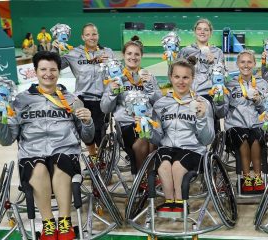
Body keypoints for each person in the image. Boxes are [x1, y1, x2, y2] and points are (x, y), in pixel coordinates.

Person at [0, 51, 94, 240]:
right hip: (32, 154)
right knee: (38, 168)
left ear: (59, 72)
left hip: (65, 151)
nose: (48, 73)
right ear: (36, 71)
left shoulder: (72, 100)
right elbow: (6, 140)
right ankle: (48, 224)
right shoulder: (20, 101)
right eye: (43, 69)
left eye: (53, 69)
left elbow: (88, 137)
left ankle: (65, 222)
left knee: (61, 163)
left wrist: (88, 122)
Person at [150, 59, 214, 213]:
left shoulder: (202, 103)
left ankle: (180, 203)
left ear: (192, 79)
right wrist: (147, 131)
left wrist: (201, 118)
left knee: (178, 166)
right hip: (167, 147)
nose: (181, 81)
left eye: (185, 77)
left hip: (193, 150)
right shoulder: (160, 104)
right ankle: (169, 201)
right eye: (177, 77)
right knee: (164, 165)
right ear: (170, 77)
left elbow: (207, 139)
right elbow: (157, 139)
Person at [101, 36, 162, 175]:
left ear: (141, 56)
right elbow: (105, 108)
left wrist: (151, 88)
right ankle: (142, 177)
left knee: (154, 138)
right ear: (123, 55)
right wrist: (112, 91)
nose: (133, 57)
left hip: (149, 121)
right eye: (129, 53)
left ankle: (149, 177)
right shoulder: (115, 78)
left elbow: (159, 104)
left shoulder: (148, 77)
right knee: (144, 138)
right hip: (127, 124)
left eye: (136, 54)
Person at [214, 50, 268, 194]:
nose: (246, 65)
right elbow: (221, 113)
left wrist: (259, 101)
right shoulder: (229, 84)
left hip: (257, 124)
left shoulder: (262, 84)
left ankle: (257, 177)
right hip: (236, 125)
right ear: (238, 64)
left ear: (255, 64)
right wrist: (218, 99)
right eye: (243, 62)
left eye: (249, 62)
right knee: (243, 139)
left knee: (256, 139)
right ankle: (246, 177)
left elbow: (267, 111)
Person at [61, 23, 116, 160]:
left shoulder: (108, 52)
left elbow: (116, 73)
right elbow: (57, 65)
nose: (92, 37)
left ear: (98, 35)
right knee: (86, 130)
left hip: (102, 99)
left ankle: (101, 158)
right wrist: (57, 49)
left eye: (94, 34)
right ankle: (93, 157)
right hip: (82, 98)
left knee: (99, 131)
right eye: (88, 34)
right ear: (82, 37)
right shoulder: (74, 53)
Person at [177, 18, 225, 102]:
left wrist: (212, 63)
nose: (202, 32)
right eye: (199, 29)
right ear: (195, 32)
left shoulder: (217, 52)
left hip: (209, 93)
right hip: (187, 93)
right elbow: (175, 72)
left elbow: (222, 76)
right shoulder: (185, 51)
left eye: (206, 30)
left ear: (210, 33)